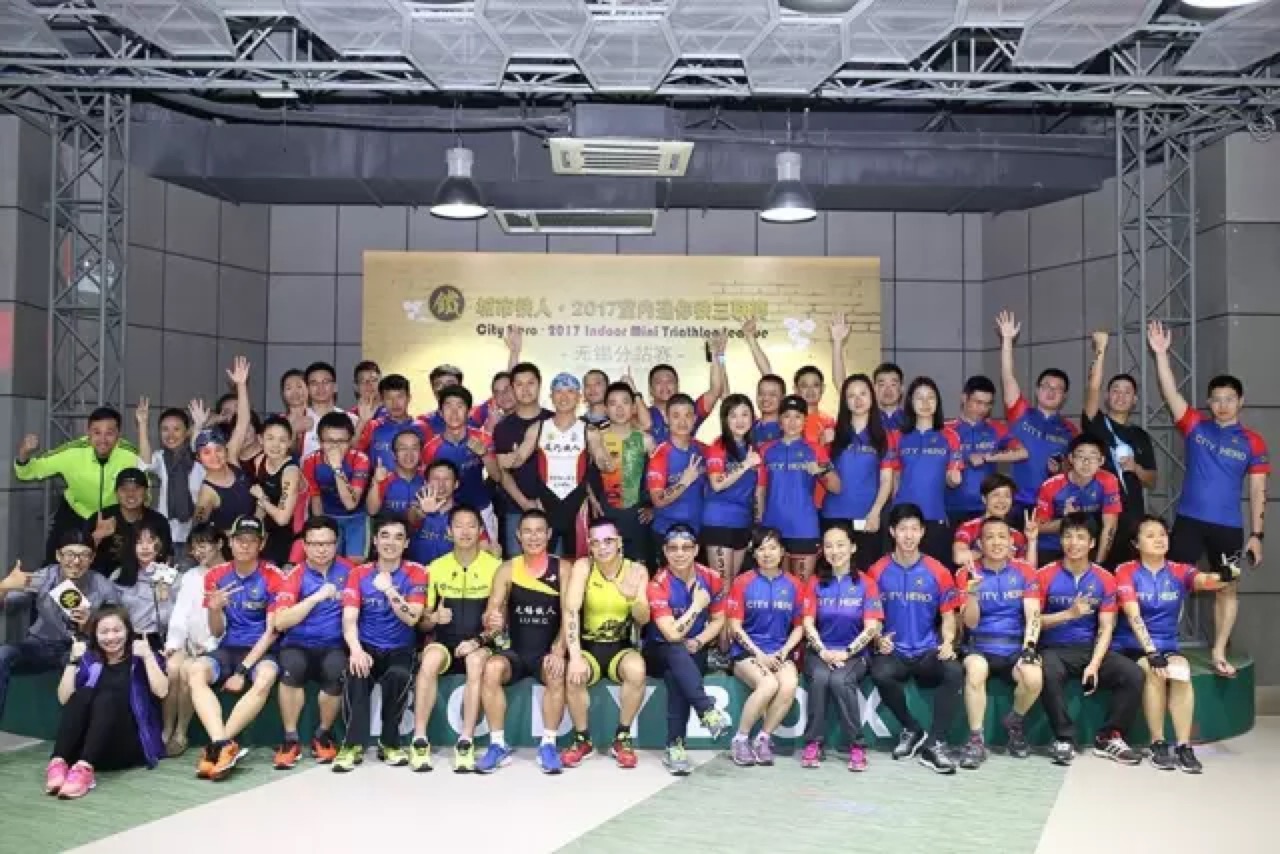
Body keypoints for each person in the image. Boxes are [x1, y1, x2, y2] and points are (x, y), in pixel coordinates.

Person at [1148, 320, 1269, 678]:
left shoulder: (1253, 442)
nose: (1222, 405)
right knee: (1171, 583)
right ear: (1208, 402)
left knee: (1227, 587)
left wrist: (1257, 535)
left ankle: (1218, 652)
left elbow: (1258, 490)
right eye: (1216, 399)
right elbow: (1171, 393)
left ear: (1240, 402)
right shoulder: (1195, 426)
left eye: (1229, 399)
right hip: (1189, 522)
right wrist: (1161, 355)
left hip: (1228, 528)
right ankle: (1163, 646)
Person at [1114, 515, 1236, 773]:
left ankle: (1183, 745)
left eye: (1162, 534)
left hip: (1167, 645)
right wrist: (1151, 652)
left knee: (1181, 671)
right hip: (1133, 645)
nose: (1159, 539)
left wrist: (1224, 576)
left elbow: (1205, 580)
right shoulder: (1125, 571)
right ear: (1136, 543)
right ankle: (1157, 742)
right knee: (1154, 672)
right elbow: (1133, 615)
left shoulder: (1180, 570)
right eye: (1150, 535)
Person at [1036, 513, 1144, 766]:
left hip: (1089, 647)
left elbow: (1106, 627)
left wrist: (1094, 664)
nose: (1073, 543)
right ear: (1060, 541)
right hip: (1053, 647)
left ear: (1092, 543)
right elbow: (1032, 622)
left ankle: (1109, 736)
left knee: (1133, 674)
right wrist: (1068, 614)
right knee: (1048, 672)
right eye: (1067, 536)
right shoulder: (1044, 575)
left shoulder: (1105, 578)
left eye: (1080, 537)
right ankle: (1064, 738)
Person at [185, 517, 282, 781]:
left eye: (252, 540)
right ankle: (222, 743)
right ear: (230, 542)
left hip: (262, 650)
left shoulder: (273, 576)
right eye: (240, 540)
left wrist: (242, 672)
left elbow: (272, 632)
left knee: (266, 676)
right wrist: (214, 609)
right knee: (195, 670)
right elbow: (217, 631)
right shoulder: (216, 576)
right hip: (228, 646)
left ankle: (219, 747)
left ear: (261, 544)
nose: (245, 546)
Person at [867, 503, 962, 774]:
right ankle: (911, 728)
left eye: (914, 529)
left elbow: (948, 616)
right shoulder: (877, 571)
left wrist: (947, 642)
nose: (908, 535)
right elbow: (872, 616)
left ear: (922, 532)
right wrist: (879, 639)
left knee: (954, 671)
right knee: (881, 673)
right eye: (902, 529)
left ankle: (935, 743)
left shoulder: (938, 571)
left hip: (926, 651)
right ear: (892, 532)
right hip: (894, 651)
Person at [476, 509, 569, 775]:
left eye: (539, 531)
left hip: (546, 652)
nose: (533, 537)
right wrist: (492, 619)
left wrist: (559, 649)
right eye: (527, 531)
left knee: (556, 672)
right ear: (518, 535)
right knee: (491, 668)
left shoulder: (563, 569)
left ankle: (548, 745)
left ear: (549, 535)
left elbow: (570, 615)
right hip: (516, 651)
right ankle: (497, 745)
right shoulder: (507, 569)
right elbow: (493, 611)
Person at [410, 505, 503, 773]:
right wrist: (433, 618)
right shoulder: (435, 568)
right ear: (449, 532)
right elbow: (423, 622)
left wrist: (478, 641)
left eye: (471, 525)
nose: (465, 531)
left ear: (480, 530)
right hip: (446, 642)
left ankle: (465, 741)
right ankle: (419, 739)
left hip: (479, 643)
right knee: (429, 660)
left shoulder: (496, 568)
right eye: (458, 526)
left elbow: (499, 624)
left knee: (475, 662)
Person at [334, 515, 427, 773]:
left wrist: (389, 590)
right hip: (366, 645)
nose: (390, 543)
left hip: (400, 648)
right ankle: (352, 745)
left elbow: (412, 618)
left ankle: (390, 743)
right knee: (356, 672)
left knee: (398, 676)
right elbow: (349, 619)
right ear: (375, 541)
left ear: (406, 543)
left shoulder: (416, 572)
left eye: (398, 537)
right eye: (384, 536)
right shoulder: (358, 574)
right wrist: (356, 651)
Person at [45, 606, 168, 799]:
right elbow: (64, 699)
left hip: (129, 744)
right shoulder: (89, 659)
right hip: (91, 744)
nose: (111, 637)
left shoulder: (140, 657)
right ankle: (58, 762)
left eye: (117, 630)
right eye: (104, 632)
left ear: (128, 631)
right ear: (95, 634)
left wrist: (148, 656)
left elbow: (162, 691)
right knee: (82, 694)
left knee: (106, 698)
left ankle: (85, 769)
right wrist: (72, 662)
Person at [561, 519, 650, 769]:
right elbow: (571, 611)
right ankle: (582, 739)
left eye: (608, 541)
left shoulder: (636, 570)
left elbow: (643, 618)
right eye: (596, 542)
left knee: (637, 670)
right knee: (573, 676)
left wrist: (632, 599)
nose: (602, 547)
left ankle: (622, 737)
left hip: (621, 646)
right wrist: (575, 657)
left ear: (619, 542)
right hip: (589, 645)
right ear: (589, 546)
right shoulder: (584, 567)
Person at [0, 530, 118, 720]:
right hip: (40, 645)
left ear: (92, 558)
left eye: (84, 555)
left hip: (79, 648)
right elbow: (8, 607)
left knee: (84, 665)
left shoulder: (103, 586)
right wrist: (4, 587)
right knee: (3, 653)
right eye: (70, 554)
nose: (76, 561)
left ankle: (77, 731)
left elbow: (118, 625)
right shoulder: (44, 577)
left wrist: (90, 622)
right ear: (58, 556)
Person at [955, 517, 1043, 769]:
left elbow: (1033, 615)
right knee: (976, 670)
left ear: (1011, 542)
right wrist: (972, 593)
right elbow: (970, 623)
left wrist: (1029, 648)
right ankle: (976, 740)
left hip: (1015, 646)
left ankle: (1015, 721)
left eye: (1002, 537)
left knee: (1033, 677)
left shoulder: (1025, 571)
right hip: (978, 645)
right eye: (990, 537)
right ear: (980, 544)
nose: (996, 542)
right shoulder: (966, 572)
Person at [643, 525, 732, 775]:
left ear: (696, 550)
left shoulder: (711, 578)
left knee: (677, 675)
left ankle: (675, 747)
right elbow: (671, 634)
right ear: (665, 551)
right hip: (659, 650)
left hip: (694, 648)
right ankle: (707, 710)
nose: (679, 553)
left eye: (685, 548)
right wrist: (696, 606)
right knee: (675, 650)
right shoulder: (657, 584)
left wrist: (700, 641)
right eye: (673, 548)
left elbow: (719, 619)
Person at [270, 516, 353, 769]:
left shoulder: (351, 571)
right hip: (298, 643)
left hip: (334, 644)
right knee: (292, 667)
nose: (321, 549)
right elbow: (280, 622)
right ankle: (290, 739)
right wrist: (315, 598)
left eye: (327, 543)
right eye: (315, 544)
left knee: (336, 670)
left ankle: (322, 735)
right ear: (304, 546)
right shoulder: (294, 575)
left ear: (336, 544)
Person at [800, 523, 883, 772]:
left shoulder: (867, 584)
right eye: (828, 546)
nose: (834, 551)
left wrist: (846, 653)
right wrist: (823, 651)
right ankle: (813, 742)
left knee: (840, 680)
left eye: (840, 545)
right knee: (820, 678)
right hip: (820, 651)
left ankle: (856, 745)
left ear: (853, 547)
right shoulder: (815, 582)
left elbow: (872, 627)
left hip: (855, 654)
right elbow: (807, 623)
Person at [14, 406, 138, 563]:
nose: (103, 439)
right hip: (75, 514)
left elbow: (143, 492)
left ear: (118, 435)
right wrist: (24, 453)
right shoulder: (72, 452)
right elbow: (27, 472)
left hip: (112, 519)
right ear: (88, 433)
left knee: (109, 569)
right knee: (57, 564)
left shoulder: (130, 455)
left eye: (109, 433)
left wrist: (124, 517)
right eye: (97, 432)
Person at [725, 527, 805, 767]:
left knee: (788, 684)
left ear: (782, 552)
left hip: (779, 651)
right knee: (769, 684)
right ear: (754, 553)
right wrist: (758, 654)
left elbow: (800, 626)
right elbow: (735, 626)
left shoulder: (794, 585)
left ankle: (763, 738)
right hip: (746, 652)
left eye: (772, 548)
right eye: (761, 549)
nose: (767, 554)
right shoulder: (742, 582)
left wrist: (784, 651)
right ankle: (740, 739)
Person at [1082, 331, 1157, 567]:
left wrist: (1136, 468)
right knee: (1097, 572)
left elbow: (1152, 479)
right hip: (1098, 512)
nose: (1121, 396)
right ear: (1107, 396)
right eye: (1115, 390)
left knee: (1127, 574)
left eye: (1127, 392)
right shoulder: (1096, 424)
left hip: (1131, 515)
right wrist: (1101, 350)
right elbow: (1093, 387)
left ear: (1135, 400)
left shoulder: (1140, 435)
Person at [995, 311, 1079, 515]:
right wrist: (1007, 341)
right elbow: (1008, 377)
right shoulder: (1021, 413)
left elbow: (1076, 469)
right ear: (1037, 390)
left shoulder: (1070, 430)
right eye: (1046, 386)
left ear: (1064, 396)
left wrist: (1061, 469)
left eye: (1057, 389)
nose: (1051, 391)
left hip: (1054, 505)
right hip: (1018, 503)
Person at [757, 395, 841, 579]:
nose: (792, 422)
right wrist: (759, 524)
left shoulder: (815, 449)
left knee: (802, 588)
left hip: (804, 528)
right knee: (778, 585)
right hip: (773, 528)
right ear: (780, 421)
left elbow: (836, 487)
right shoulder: (766, 450)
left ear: (804, 421)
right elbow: (760, 490)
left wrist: (821, 471)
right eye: (787, 416)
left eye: (798, 416)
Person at [161, 523, 224, 757]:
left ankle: (181, 733)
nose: (198, 552)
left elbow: (229, 621)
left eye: (203, 545)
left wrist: (209, 646)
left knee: (188, 670)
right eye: (194, 547)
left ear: (219, 544)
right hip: (188, 643)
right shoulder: (190, 576)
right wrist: (174, 644)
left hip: (215, 646)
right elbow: (180, 613)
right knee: (172, 668)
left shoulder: (230, 573)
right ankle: (166, 730)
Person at [822, 374, 893, 570]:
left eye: (863, 393)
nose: (858, 400)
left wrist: (875, 512)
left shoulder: (882, 437)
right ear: (845, 401)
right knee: (834, 574)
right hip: (834, 515)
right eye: (851, 395)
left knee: (865, 573)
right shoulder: (833, 434)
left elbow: (886, 480)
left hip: (867, 517)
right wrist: (823, 444)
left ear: (872, 397)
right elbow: (821, 472)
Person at [889, 377, 963, 564]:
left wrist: (953, 479)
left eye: (930, 397)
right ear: (910, 402)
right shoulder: (898, 436)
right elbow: (894, 476)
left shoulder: (950, 436)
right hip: (903, 517)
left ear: (937, 402)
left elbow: (952, 476)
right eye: (919, 398)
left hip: (934, 515)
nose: (925, 403)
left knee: (935, 572)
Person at [420, 385, 504, 545]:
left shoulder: (483, 439)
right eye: (448, 406)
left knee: (489, 556)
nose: (454, 412)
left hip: (481, 508)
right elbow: (426, 485)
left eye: (460, 406)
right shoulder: (431, 447)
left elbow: (497, 477)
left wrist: (484, 454)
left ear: (469, 411)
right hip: (445, 514)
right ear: (440, 412)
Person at [585, 382, 656, 564]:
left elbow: (658, 478)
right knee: (607, 566)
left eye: (625, 402)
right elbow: (584, 473)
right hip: (605, 512)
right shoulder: (596, 438)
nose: (619, 408)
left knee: (638, 569)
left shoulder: (646, 440)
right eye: (613, 403)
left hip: (637, 516)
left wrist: (654, 507)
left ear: (633, 408)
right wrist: (591, 499)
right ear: (605, 409)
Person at [944, 376, 1027, 526]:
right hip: (952, 507)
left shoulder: (997, 428)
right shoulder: (946, 430)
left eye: (988, 404)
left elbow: (1022, 452)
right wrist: (964, 458)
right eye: (978, 402)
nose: (983, 409)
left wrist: (986, 457)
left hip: (988, 508)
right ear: (964, 398)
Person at [702, 394, 761, 596]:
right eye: (733, 415)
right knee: (722, 587)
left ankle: (727, 618)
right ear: (725, 419)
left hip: (742, 523)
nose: (740, 420)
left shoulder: (752, 448)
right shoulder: (718, 447)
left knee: (733, 585)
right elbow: (717, 484)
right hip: (719, 522)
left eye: (745, 414)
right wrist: (746, 464)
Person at [492, 362, 552, 557]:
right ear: (513, 388)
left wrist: (547, 502)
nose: (525, 389)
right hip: (515, 508)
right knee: (517, 567)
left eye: (530, 383)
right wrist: (525, 503)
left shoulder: (554, 421)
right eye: (519, 384)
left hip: (552, 509)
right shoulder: (503, 428)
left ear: (539, 385)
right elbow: (503, 472)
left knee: (554, 567)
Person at [134, 398, 204, 566]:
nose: (170, 434)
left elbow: (197, 446)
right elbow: (146, 463)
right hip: (167, 535)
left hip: (195, 537)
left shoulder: (200, 457)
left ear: (186, 431)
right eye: (165, 429)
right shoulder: (161, 457)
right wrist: (142, 425)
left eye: (176, 429)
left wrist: (199, 426)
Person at [193, 358, 258, 535]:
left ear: (226, 450)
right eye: (207, 452)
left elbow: (243, 421)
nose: (215, 456)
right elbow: (198, 531)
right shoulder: (207, 493)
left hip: (253, 539)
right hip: (230, 546)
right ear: (199, 458)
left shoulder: (231, 458)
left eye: (219, 450)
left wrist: (241, 386)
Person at [1034, 435, 1122, 565]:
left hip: (1086, 544)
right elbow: (1038, 527)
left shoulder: (1108, 481)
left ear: (1101, 461)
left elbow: (1110, 527)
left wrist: (1099, 564)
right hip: (1053, 546)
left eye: (1093, 457)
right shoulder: (1050, 485)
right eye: (1080, 456)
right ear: (1071, 458)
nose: (1086, 462)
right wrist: (1068, 520)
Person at [302, 411, 372, 561]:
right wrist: (320, 531)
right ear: (320, 441)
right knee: (329, 561)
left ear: (350, 441)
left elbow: (350, 504)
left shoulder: (360, 459)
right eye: (329, 441)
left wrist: (337, 468)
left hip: (356, 519)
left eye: (341, 441)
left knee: (355, 564)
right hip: (329, 518)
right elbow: (316, 499)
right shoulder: (310, 462)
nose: (335, 447)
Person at [84, 467, 172, 577]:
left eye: (136, 489)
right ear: (116, 493)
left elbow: (167, 558)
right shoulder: (102, 518)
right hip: (102, 581)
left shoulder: (158, 521)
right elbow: (79, 555)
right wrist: (97, 537)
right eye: (124, 489)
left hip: (145, 581)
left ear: (145, 492)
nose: (130, 494)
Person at [646, 393, 708, 542]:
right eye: (676, 416)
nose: (682, 421)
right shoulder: (660, 455)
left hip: (697, 530)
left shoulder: (703, 449)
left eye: (688, 415)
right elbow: (658, 500)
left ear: (695, 419)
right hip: (666, 532)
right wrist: (684, 481)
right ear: (667, 419)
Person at [645, 330, 726, 443]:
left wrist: (718, 355)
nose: (665, 386)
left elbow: (716, 389)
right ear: (650, 389)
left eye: (670, 381)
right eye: (659, 382)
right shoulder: (643, 415)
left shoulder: (690, 410)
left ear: (677, 386)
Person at [112, 519, 180, 651]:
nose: (145, 547)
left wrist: (163, 599)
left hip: (159, 640)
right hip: (124, 639)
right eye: (139, 542)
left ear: (160, 546)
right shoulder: (119, 575)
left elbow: (170, 623)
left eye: (150, 541)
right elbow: (112, 614)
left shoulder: (172, 576)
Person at [248, 415, 301, 567]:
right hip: (267, 528)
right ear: (261, 439)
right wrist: (254, 530)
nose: (275, 445)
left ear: (290, 442)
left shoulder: (291, 472)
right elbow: (260, 505)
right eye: (270, 438)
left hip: (291, 533)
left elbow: (283, 519)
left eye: (282, 440)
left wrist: (262, 498)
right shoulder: (260, 461)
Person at [952, 473, 1037, 567]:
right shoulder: (969, 528)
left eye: (1007, 496)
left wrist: (1032, 540)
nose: (1001, 500)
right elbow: (959, 557)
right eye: (996, 495)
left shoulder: (1016, 535)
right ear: (984, 499)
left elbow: (1029, 570)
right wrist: (996, 552)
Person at [355, 374, 430, 473]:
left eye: (400, 397)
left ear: (409, 398)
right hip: (378, 482)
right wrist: (362, 421)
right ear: (382, 401)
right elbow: (351, 451)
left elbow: (431, 461)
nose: (395, 403)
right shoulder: (373, 426)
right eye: (389, 398)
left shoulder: (423, 427)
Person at [366, 428, 426, 519]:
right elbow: (371, 511)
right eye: (403, 448)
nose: (409, 454)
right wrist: (376, 482)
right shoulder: (384, 479)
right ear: (394, 454)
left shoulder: (428, 478)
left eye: (414, 448)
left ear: (421, 453)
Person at [873, 362, 905, 431]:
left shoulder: (912, 421)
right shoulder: (867, 421)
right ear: (875, 388)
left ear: (902, 388)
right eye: (882, 385)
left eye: (893, 384)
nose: (888, 389)